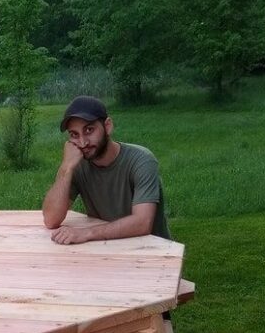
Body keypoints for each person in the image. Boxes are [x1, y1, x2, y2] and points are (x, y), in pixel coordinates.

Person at [42, 95, 170, 244]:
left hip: (152, 251)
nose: (83, 143)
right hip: (106, 247)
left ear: (107, 126)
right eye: (74, 135)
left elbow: (142, 223)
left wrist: (86, 233)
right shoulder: (77, 164)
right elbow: (51, 219)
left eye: (89, 130)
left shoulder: (141, 160)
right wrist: (66, 168)